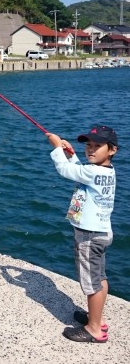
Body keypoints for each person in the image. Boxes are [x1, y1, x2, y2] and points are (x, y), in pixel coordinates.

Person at [46, 125, 118, 344]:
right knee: (99, 278)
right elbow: (82, 173)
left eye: (97, 146)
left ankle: (94, 329)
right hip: (101, 232)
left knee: (91, 282)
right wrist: (72, 154)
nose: (91, 150)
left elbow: (66, 171)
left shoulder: (93, 171)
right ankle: (97, 317)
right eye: (88, 145)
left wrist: (57, 148)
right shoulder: (105, 171)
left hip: (89, 236)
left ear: (112, 150)